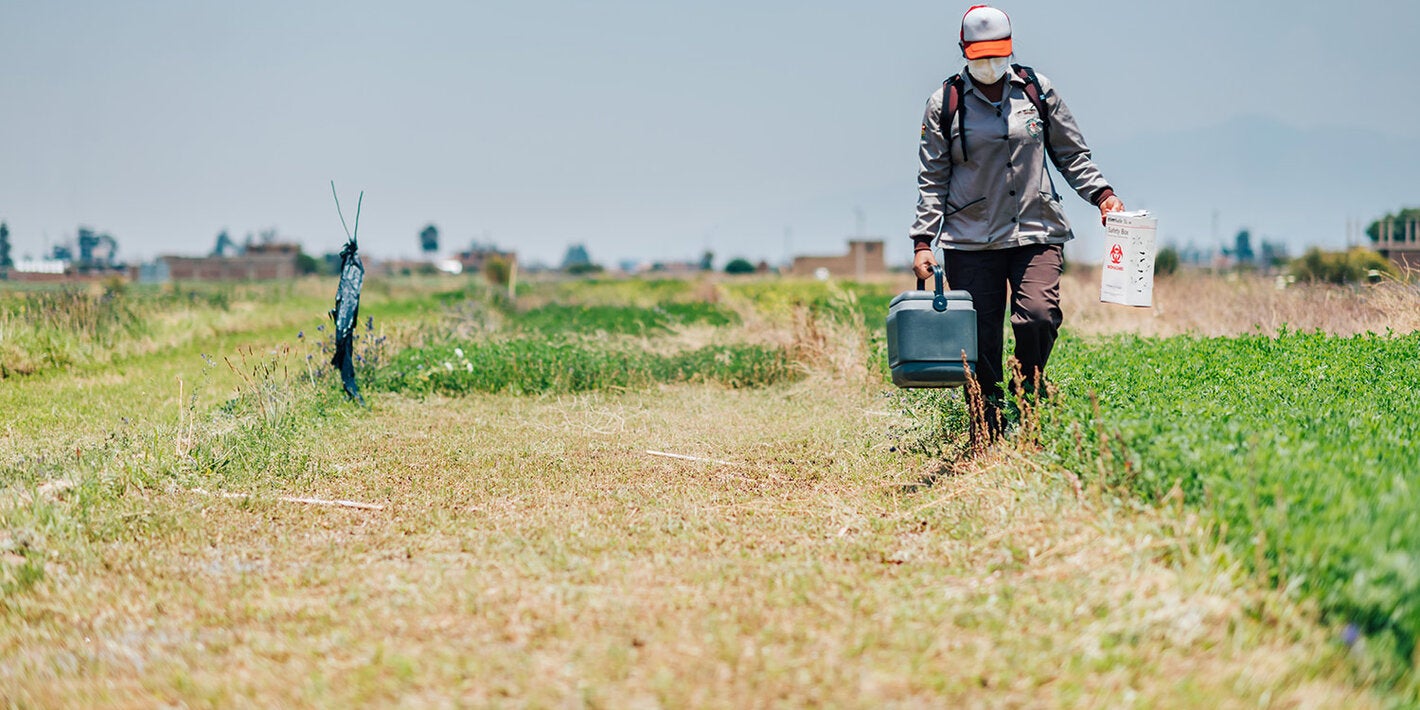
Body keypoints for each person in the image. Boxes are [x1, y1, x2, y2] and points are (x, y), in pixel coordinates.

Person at [910, 4, 1123, 434]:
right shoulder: (944, 103)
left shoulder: (1036, 91)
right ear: (964, 50)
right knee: (981, 339)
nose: (990, 63)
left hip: (1037, 229)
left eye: (998, 52)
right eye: (981, 54)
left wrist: (1103, 195)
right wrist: (922, 240)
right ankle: (986, 428)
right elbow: (933, 177)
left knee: (1039, 316)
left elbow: (1070, 154)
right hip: (971, 241)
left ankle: (1028, 393)